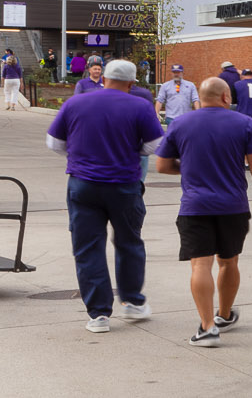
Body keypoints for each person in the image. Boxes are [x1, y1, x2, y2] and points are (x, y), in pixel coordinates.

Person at [155, 77, 252, 346]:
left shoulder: (181, 123)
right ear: (225, 97)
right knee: (229, 261)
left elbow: (162, 166)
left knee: (201, 264)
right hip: (233, 206)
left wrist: (186, 168)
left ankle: (208, 327)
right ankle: (224, 314)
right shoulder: (244, 123)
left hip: (195, 206)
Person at [45, 58, 164, 330]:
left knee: (88, 248)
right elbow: (154, 145)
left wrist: (78, 158)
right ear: (132, 82)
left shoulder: (76, 102)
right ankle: (132, 302)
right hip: (124, 184)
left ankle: (98, 314)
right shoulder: (140, 105)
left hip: (83, 184)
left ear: (104, 77)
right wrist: (131, 152)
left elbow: (54, 142)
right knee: (129, 242)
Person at [157, 64, 197, 128]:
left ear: (182, 73)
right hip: (171, 118)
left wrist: (198, 113)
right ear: (171, 73)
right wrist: (156, 113)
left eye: (178, 72)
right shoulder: (165, 86)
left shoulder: (190, 85)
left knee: (185, 137)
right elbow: (159, 100)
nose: (176, 74)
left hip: (186, 118)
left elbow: (195, 100)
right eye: (174, 72)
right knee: (172, 137)